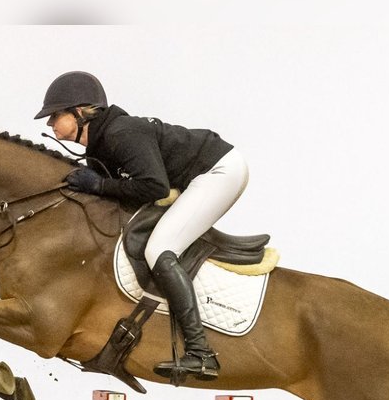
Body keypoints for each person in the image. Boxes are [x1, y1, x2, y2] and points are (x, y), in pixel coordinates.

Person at [34, 71, 249, 382]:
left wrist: (99, 186)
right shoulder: (98, 147)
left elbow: (155, 188)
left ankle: (201, 353)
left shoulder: (121, 133)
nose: (50, 123)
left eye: (55, 115)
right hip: (196, 177)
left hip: (218, 171)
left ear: (80, 112)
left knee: (160, 248)